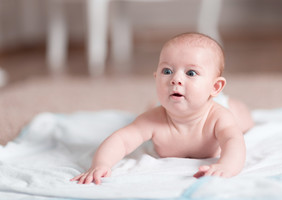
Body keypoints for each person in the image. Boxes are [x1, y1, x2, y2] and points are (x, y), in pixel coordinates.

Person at [71, 32, 254, 184]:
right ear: (155, 76)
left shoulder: (219, 117)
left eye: (191, 73)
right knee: (151, 108)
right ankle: (157, 100)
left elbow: (233, 142)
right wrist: (101, 164)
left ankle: (227, 101)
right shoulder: (152, 119)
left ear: (215, 87)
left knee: (243, 119)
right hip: (164, 106)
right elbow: (121, 140)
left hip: (217, 104)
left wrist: (227, 166)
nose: (175, 79)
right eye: (167, 71)